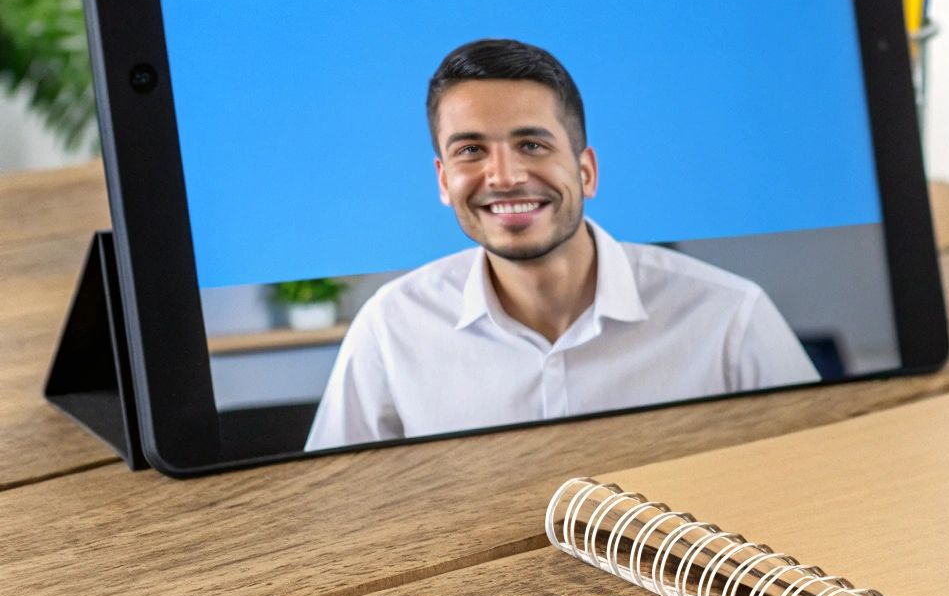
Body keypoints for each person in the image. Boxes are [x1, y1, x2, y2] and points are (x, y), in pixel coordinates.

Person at [305, 38, 819, 450]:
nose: (503, 177)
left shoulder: (730, 317)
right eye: (471, 150)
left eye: (532, 144)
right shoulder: (390, 330)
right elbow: (333, 518)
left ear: (586, 170)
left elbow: (823, 483)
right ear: (443, 181)